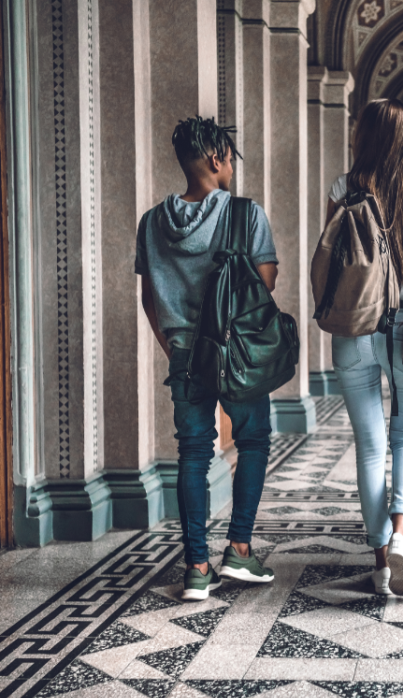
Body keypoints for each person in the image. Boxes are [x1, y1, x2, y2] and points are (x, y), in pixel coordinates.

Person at [136, 117, 277, 601]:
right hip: (237, 353)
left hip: (184, 355)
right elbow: (266, 284)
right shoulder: (244, 213)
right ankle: (239, 549)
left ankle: (197, 568)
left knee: (194, 453)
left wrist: (174, 346)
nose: (233, 168)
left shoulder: (153, 222)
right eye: (230, 158)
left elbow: (150, 298)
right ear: (217, 158)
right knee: (253, 438)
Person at [325, 99, 403, 596]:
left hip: (353, 326)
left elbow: (332, 257)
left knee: (371, 446)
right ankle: (402, 535)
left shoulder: (342, 188)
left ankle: (379, 561)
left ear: (366, 137)